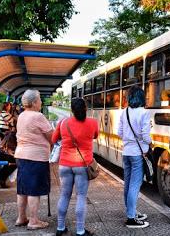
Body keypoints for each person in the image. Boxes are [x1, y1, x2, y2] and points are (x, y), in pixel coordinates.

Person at [53, 98, 98, 236]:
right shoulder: (92, 122)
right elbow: (95, 135)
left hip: (65, 164)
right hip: (83, 165)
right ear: (85, 108)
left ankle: (60, 228)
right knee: (81, 196)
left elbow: (54, 140)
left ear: (71, 110)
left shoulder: (63, 122)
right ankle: (80, 230)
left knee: (65, 195)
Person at [14, 89, 54, 230]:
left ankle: (21, 217)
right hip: (36, 157)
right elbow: (51, 136)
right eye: (39, 99)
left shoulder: (21, 116)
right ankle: (34, 221)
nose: (41, 102)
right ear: (34, 102)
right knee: (33, 189)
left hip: (21, 156)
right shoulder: (38, 116)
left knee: (23, 188)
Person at [117, 85, 151, 229]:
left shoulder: (124, 112)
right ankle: (131, 218)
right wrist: (149, 142)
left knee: (128, 184)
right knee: (135, 185)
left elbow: (119, 132)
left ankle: (131, 212)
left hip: (126, 152)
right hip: (137, 153)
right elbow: (145, 136)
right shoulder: (144, 113)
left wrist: (129, 139)